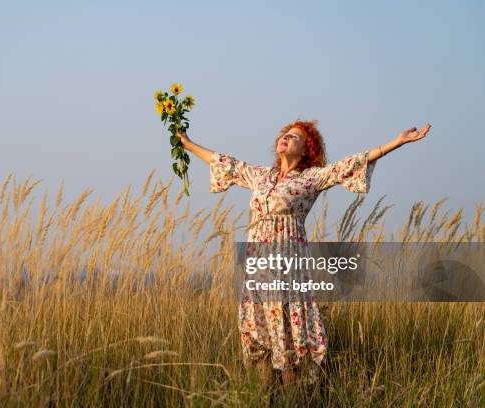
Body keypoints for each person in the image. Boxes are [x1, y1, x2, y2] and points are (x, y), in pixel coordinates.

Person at [177, 119, 431, 390]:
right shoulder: (262, 176)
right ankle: (262, 397)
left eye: (295, 137)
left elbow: (350, 164)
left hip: (287, 264)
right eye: (285, 135)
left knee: (288, 332)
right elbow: (226, 162)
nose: (286, 138)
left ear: (306, 149)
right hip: (256, 267)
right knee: (257, 331)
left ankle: (295, 398)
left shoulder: (311, 179)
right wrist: (188, 144)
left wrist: (398, 142)